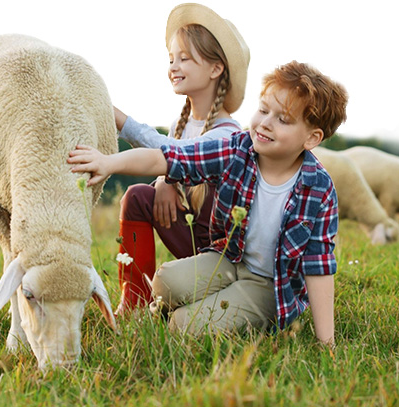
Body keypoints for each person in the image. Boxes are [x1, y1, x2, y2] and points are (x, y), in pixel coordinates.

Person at [68, 60, 348, 345]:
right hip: (229, 258)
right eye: (263, 110)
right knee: (165, 281)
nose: (265, 123)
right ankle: (168, 308)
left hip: (269, 284)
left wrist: (327, 343)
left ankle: (207, 316)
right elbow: (166, 157)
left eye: (283, 120)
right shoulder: (237, 148)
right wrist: (109, 162)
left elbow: (319, 266)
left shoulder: (319, 188)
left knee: (184, 326)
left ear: (312, 138)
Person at [112, 3, 250, 315]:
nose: (173, 65)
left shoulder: (228, 134)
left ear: (215, 69)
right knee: (137, 196)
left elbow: (176, 155)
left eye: (185, 58)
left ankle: (203, 290)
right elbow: (171, 156)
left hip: (222, 252)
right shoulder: (181, 125)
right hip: (189, 235)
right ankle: (133, 299)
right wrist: (163, 180)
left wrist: (119, 119)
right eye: (171, 58)